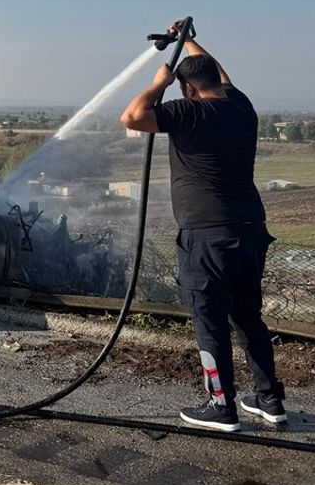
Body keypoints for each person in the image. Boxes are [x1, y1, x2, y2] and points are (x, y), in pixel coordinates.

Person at [119, 22, 285, 432]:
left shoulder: (187, 112)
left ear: (188, 89)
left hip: (207, 236)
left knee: (209, 321)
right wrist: (186, 41)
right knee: (248, 318)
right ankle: (270, 401)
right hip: (249, 229)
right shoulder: (240, 105)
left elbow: (132, 116)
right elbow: (219, 73)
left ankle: (220, 406)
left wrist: (159, 82)